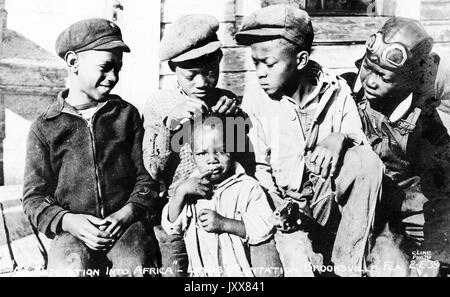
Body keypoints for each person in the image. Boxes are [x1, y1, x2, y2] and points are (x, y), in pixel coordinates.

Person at [235, 5, 384, 277]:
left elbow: (362, 151)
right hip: (284, 205)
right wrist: (279, 208)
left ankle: (348, 266)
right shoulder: (256, 97)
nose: (260, 72)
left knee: (365, 161)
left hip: (330, 201)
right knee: (300, 265)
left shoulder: (336, 89)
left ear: (301, 59)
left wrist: (338, 138)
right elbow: (258, 166)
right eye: (255, 62)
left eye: (269, 63)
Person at [22, 18, 161, 277]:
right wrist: (68, 221)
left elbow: (147, 179)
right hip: (73, 232)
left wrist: (129, 213)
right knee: (69, 268)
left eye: (118, 68)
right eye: (106, 67)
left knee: (136, 266)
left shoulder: (127, 116)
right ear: (73, 62)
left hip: (127, 226)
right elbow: (34, 197)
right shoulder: (45, 127)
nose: (114, 77)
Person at [142, 14, 249, 277]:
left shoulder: (226, 102)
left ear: (220, 61)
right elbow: (153, 169)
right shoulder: (159, 105)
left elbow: (241, 163)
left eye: (211, 73)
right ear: (172, 69)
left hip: (225, 207)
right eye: (191, 76)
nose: (203, 83)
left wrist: (235, 120)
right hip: (177, 209)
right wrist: (169, 125)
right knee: (175, 267)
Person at [347, 17, 450, 276]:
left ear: (409, 80)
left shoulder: (423, 122)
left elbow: (443, 191)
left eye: (384, 76)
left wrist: (433, 254)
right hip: (359, 211)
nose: (370, 81)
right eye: (369, 68)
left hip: (406, 219)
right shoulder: (346, 96)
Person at [161, 114, 281, 277]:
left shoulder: (247, 187)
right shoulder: (189, 189)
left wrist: (224, 224)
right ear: (193, 155)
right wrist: (180, 193)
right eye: (202, 153)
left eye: (222, 151)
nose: (212, 160)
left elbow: (264, 227)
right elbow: (171, 226)